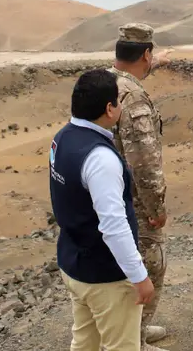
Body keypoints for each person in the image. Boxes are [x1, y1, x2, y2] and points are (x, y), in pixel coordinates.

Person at [49, 69, 155, 351]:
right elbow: (113, 226)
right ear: (109, 109)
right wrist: (139, 277)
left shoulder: (62, 139)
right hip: (105, 276)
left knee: (85, 343)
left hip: (74, 264)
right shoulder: (100, 159)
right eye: (118, 102)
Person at [108, 23, 171, 350]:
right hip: (132, 205)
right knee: (148, 266)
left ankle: (135, 333)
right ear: (146, 54)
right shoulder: (132, 97)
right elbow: (143, 162)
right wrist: (156, 208)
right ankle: (133, 340)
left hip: (107, 199)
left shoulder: (105, 82)